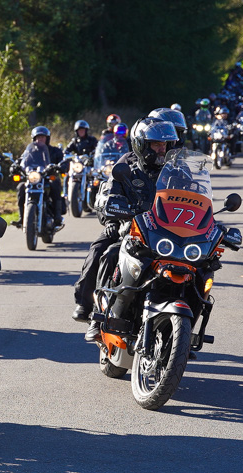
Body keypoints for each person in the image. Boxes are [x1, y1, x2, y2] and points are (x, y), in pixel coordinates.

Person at [72, 117, 178, 342]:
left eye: (166, 144)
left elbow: (194, 199)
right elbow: (108, 194)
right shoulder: (126, 166)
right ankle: (96, 315)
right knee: (105, 252)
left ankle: (179, 333)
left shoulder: (176, 171)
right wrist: (114, 212)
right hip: (129, 229)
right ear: (141, 144)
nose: (162, 149)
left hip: (166, 234)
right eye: (157, 144)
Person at [12, 126, 65, 229]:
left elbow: (63, 161)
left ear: (47, 138)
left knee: (55, 183)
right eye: (38, 137)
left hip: (47, 178)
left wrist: (61, 166)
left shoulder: (54, 151)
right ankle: (22, 217)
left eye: (42, 137)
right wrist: (15, 166)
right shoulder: (31, 151)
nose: (40, 139)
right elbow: (22, 159)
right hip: (33, 178)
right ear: (34, 139)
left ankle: (57, 215)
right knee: (21, 187)